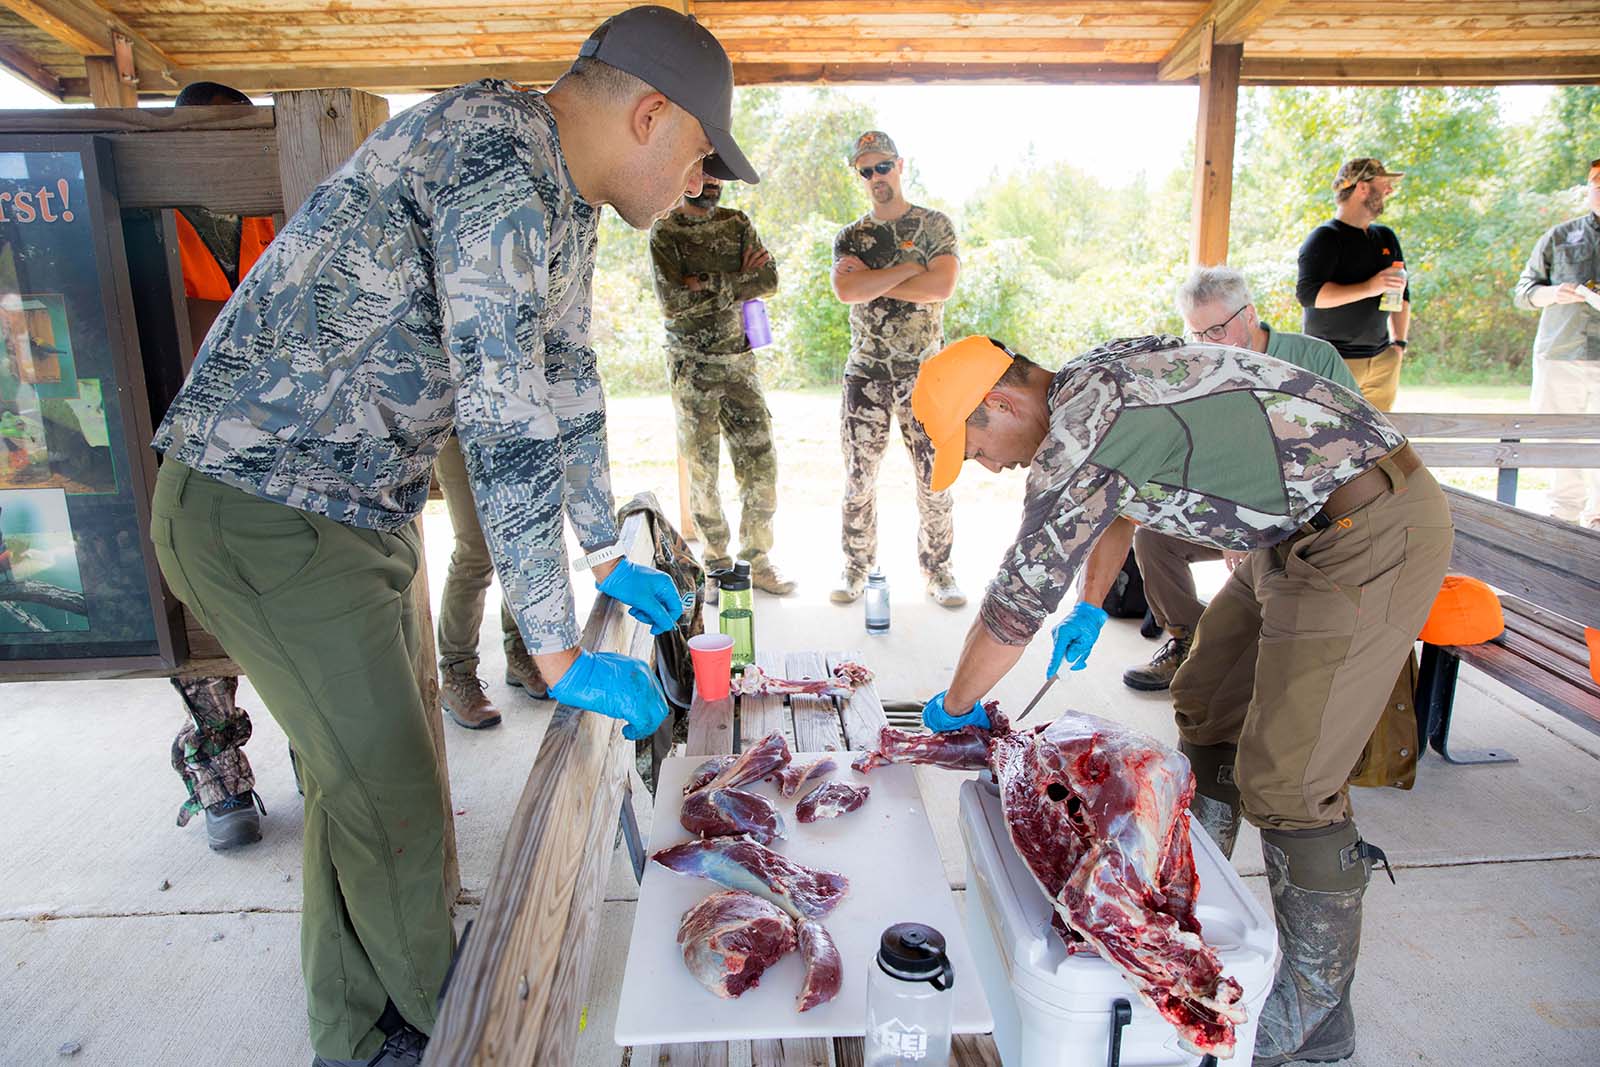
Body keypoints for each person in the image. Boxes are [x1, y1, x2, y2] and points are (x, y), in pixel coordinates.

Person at [146, 8, 754, 1064]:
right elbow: (502, 409)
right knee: (388, 790)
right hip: (264, 504)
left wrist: (604, 547)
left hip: (350, 512)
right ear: (650, 114)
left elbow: (567, 380)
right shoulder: (494, 157)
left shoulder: (566, 201)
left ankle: (357, 1022)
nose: (698, 188)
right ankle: (445, 1027)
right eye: (701, 159)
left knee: (365, 783)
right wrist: (556, 646)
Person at [911, 333, 1452, 1067]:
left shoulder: (1079, 425)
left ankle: (1318, 1012)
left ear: (999, 401)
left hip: (1367, 530)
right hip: (1289, 535)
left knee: (1290, 779)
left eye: (975, 447)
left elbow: (1014, 600)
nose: (988, 465)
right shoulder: (1093, 382)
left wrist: (957, 703)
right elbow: (1120, 503)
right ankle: (1174, 910)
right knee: (1206, 697)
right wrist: (1092, 603)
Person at [1121, 266, 1358, 692]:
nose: (1208, 344)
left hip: (1309, 515)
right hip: (1240, 513)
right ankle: (1190, 642)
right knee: (1153, 540)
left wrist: (1257, 525)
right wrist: (1233, 525)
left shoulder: (1314, 358)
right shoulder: (1203, 369)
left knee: (1272, 568)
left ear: (1249, 315)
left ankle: (1250, 656)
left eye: (1216, 330)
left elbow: (1349, 444)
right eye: (1198, 334)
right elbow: (1205, 455)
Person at [166, 80, 277, 852]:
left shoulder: (278, 208)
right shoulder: (152, 215)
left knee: (295, 615)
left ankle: (323, 763)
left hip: (277, 445)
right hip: (183, 444)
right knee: (201, 627)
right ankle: (220, 771)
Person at [830, 130, 965, 608]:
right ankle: (856, 567)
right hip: (865, 374)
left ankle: (939, 570)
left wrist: (874, 281)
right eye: (865, 171)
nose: (875, 178)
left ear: (900, 165)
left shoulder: (933, 225)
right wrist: (910, 270)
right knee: (858, 479)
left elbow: (941, 287)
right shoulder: (851, 236)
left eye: (882, 166)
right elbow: (847, 292)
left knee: (935, 478)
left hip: (924, 374)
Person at [648, 175, 794, 593]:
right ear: (688, 175)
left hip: (741, 364)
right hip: (693, 368)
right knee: (703, 471)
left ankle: (757, 561)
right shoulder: (666, 230)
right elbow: (673, 303)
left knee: (761, 465)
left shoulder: (737, 223)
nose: (712, 184)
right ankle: (716, 565)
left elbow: (768, 280)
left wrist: (705, 282)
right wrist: (736, 280)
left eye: (718, 177)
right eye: (706, 174)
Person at [431, 433, 549, 728]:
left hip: (512, 423)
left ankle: (520, 648)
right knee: (476, 552)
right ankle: (458, 674)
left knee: (521, 544)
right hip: (455, 430)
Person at [1513, 156, 1600, 528]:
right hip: (1559, 355)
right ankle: (1562, 523)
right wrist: (1553, 294)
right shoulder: (1559, 236)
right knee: (1558, 444)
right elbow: (1524, 292)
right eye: (1596, 181)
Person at [1296, 157, 1411, 410]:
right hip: (1334, 361)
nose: (1389, 190)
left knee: (1382, 442)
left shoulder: (1386, 236)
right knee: (1329, 438)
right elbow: (1309, 295)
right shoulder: (1325, 238)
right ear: (1362, 187)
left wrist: (1399, 345)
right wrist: (1370, 287)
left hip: (1382, 360)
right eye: (1384, 184)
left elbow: (1403, 296)